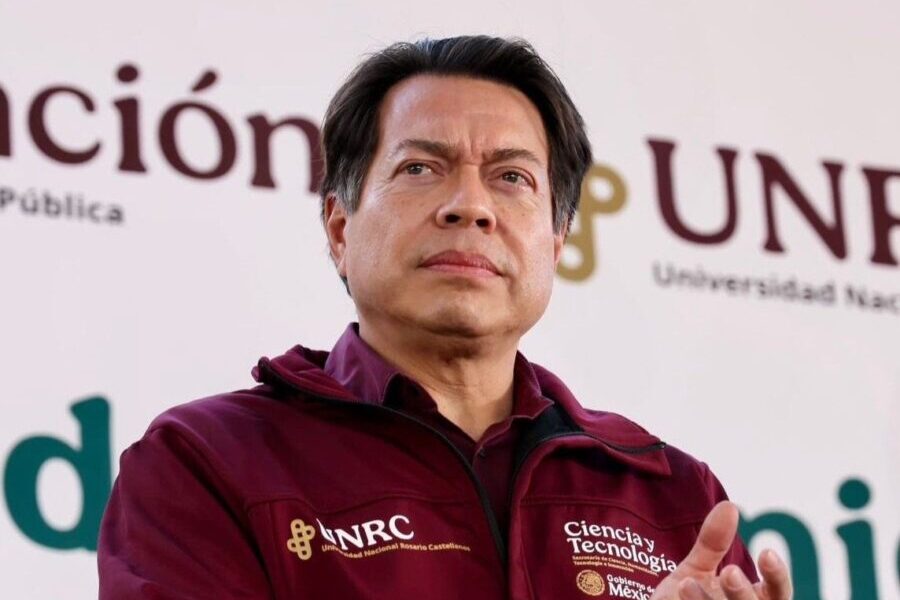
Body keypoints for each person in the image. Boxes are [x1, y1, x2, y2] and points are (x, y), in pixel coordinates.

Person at [97, 36, 793, 599]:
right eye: (421, 169)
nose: (470, 206)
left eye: (512, 177)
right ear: (339, 228)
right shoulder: (207, 461)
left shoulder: (672, 493)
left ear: (556, 242)